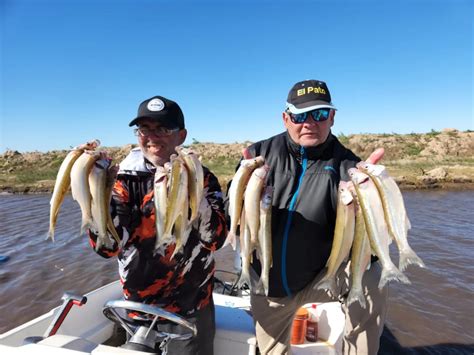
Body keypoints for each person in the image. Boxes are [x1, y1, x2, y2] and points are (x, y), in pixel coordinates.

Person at [232, 79, 388, 354]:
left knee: (373, 273)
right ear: (285, 118)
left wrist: (375, 195)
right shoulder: (258, 156)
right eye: (300, 115)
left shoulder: (349, 165)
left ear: (332, 117)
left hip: (323, 275)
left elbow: (370, 240)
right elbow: (230, 216)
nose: (309, 123)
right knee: (271, 349)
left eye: (319, 114)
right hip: (270, 281)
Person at [88, 95, 228, 354]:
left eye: (163, 128)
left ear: (182, 135)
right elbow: (107, 249)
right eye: (144, 129)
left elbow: (216, 240)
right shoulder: (122, 180)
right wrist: (98, 197)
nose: (152, 136)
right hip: (138, 309)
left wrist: (194, 196)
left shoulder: (203, 177)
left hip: (193, 308)